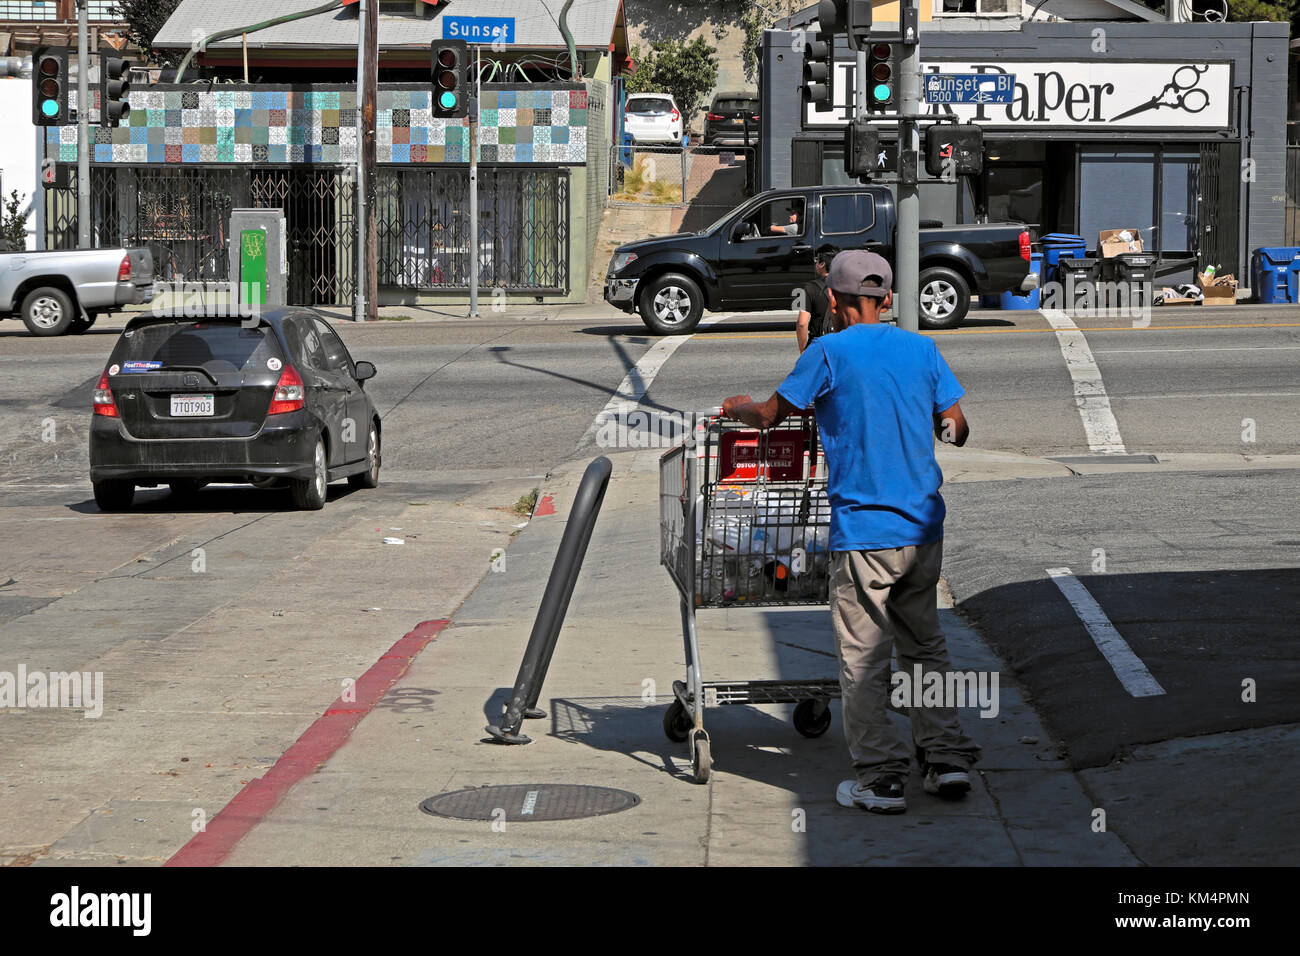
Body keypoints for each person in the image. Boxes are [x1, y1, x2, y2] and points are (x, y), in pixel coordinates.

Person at [721, 250, 980, 815]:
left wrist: (738, 406)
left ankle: (882, 776)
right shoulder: (922, 348)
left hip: (865, 531)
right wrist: (938, 423)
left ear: (833, 302)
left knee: (863, 655)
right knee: (925, 647)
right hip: (923, 527)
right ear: (887, 299)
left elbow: (770, 416)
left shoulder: (828, 351)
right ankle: (945, 760)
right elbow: (956, 425)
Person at [796, 246, 838, 353]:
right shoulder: (847, 285)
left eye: (816, 261)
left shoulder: (809, 288)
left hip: (819, 346)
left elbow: (802, 323)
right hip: (840, 344)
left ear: (822, 264)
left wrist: (803, 351)